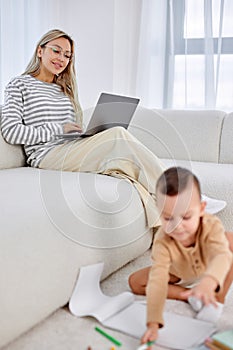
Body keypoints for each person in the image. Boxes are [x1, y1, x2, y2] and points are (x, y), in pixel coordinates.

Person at [128, 167, 233, 347]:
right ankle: (189, 296)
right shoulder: (163, 241)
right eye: (168, 218)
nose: (177, 227)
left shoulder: (210, 225)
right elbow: (157, 282)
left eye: (185, 217)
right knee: (135, 282)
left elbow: (222, 256)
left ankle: (215, 299)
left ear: (201, 209)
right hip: (178, 270)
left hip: (210, 266)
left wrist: (210, 281)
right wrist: (153, 324)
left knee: (230, 241)